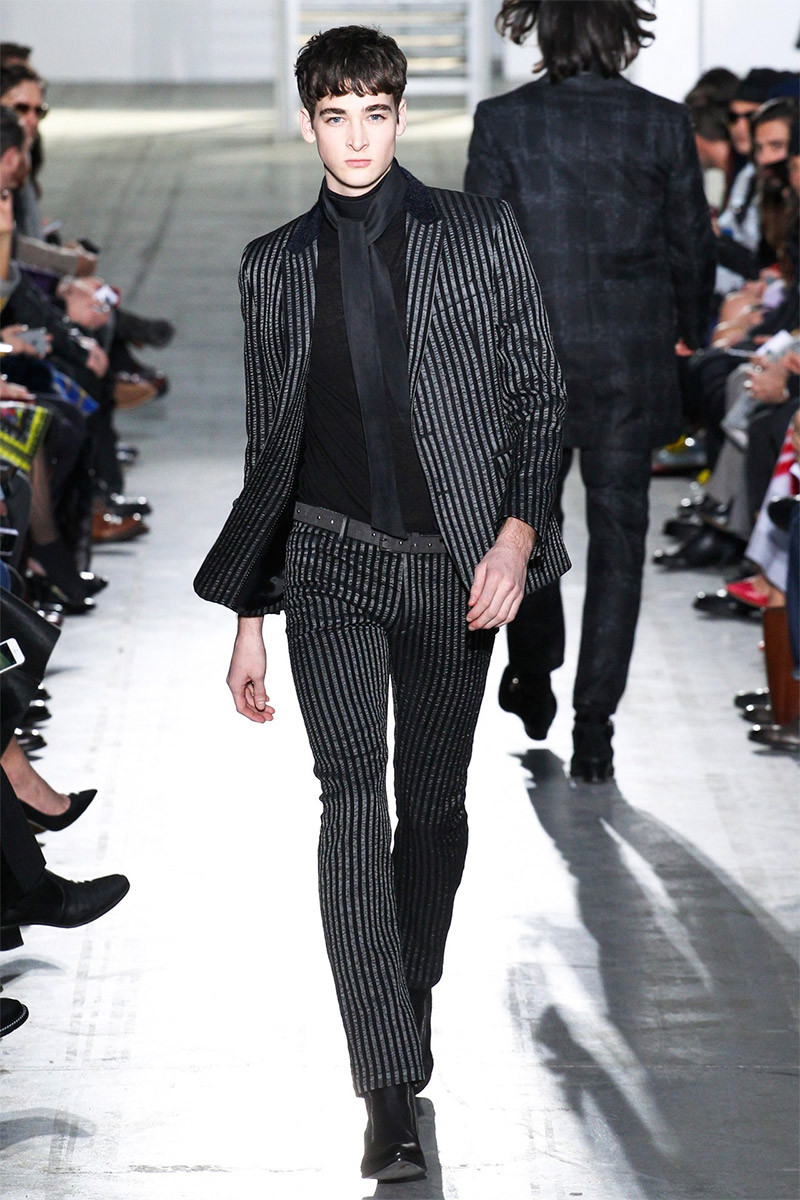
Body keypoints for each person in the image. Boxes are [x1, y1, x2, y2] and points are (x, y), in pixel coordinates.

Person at [194, 23, 568, 1183]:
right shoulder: (271, 266)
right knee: (350, 798)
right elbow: (269, 450)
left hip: (454, 572)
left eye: (374, 114)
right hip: (329, 564)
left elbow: (539, 398)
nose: (355, 138)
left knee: (434, 808)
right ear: (308, 124)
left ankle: (405, 988)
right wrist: (251, 615)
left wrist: (514, 537)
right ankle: (387, 1088)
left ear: (401, 117)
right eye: (334, 117)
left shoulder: (477, 233)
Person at [465, 0, 715, 780]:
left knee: (526, 525)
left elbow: (480, 251)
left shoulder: (504, 121)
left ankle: (534, 668)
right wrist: (692, 329)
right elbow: (691, 244)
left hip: (530, 367)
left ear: (544, 28)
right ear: (622, 30)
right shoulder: (662, 124)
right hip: (629, 363)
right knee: (619, 547)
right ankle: (595, 726)